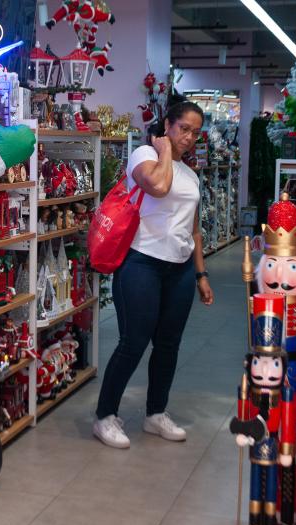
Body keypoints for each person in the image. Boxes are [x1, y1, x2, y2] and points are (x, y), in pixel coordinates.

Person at [93, 101, 214, 449]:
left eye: (195, 132)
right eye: (183, 129)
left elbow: (194, 230)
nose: (189, 137)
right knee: (133, 342)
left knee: (168, 345)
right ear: (167, 125)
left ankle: (156, 413)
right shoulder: (144, 156)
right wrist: (164, 152)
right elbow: (158, 187)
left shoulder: (190, 175)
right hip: (141, 262)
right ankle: (105, 416)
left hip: (180, 268)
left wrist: (201, 274)